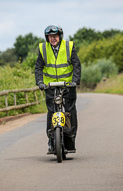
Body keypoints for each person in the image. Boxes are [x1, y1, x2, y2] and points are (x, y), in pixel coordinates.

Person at [35, 25, 81, 153]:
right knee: (51, 111)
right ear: (47, 38)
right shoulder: (43, 48)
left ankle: (70, 139)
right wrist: (40, 82)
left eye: (55, 36)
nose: (53, 39)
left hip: (68, 86)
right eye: (50, 37)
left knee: (70, 111)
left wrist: (75, 81)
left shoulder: (69, 46)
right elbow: (38, 67)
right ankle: (51, 140)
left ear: (59, 36)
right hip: (50, 86)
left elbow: (76, 65)